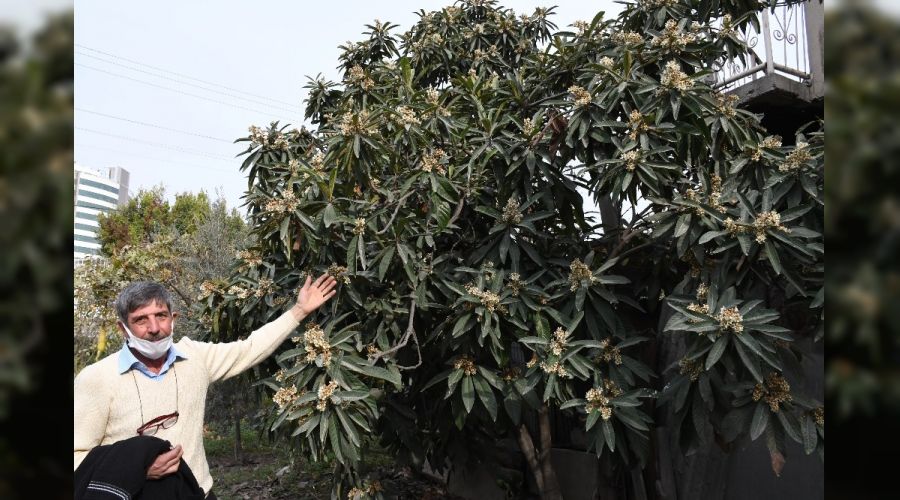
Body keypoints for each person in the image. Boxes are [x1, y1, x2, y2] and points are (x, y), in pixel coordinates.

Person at [74, 273, 337, 499]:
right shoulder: (97, 378)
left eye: (161, 316)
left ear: (173, 318)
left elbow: (250, 348)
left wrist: (299, 311)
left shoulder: (194, 357)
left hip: (198, 492)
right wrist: (136, 468)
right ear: (123, 328)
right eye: (141, 320)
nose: (155, 328)